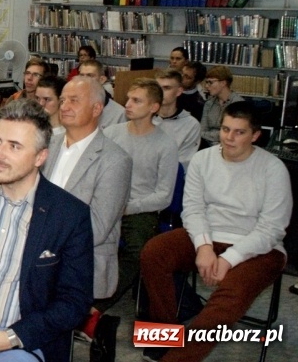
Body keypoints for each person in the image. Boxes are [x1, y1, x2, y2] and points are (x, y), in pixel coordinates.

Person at [140, 102, 291, 362]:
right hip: (208, 235)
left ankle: (178, 359)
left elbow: (272, 228)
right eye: (224, 129)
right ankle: (165, 339)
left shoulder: (273, 168)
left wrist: (229, 258)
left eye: (239, 132)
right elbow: (193, 209)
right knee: (154, 253)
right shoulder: (203, 159)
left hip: (258, 247)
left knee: (226, 299)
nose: (228, 138)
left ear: (255, 135)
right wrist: (204, 247)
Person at [0, 98, 93, 362]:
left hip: (16, 343)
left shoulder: (68, 215)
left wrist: (8, 338)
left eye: (14, 146)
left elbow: (74, 303)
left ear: (40, 156)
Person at [42, 75, 131, 339]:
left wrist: (43, 240)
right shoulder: (49, 145)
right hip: (41, 250)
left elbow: (97, 227)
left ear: (96, 109)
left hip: (79, 259)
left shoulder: (115, 160)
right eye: (63, 100)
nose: (65, 106)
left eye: (74, 100)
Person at [103, 78, 178, 311]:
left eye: (136, 101)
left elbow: (164, 195)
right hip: (108, 203)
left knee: (138, 253)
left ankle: (96, 308)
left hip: (140, 210)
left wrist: (128, 207)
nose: (128, 104)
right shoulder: (111, 133)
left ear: (153, 107)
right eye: (128, 99)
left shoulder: (165, 144)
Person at [154, 69, 201, 169]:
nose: (160, 93)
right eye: (158, 88)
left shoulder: (191, 124)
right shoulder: (145, 117)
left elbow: (183, 163)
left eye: (166, 88)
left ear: (179, 91)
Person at [200, 65, 245, 147]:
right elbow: (202, 131)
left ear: (223, 83)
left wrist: (210, 135)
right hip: (207, 145)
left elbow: (233, 134)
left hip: (230, 145)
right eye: (206, 82)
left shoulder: (238, 104)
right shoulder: (209, 103)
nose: (206, 86)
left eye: (210, 82)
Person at [78, 60, 125, 128]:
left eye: (90, 76)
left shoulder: (119, 114)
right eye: (81, 76)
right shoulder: (71, 105)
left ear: (102, 79)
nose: (84, 80)